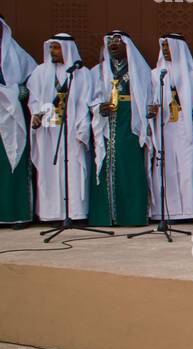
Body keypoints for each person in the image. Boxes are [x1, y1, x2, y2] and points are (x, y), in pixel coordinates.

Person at [88, 31, 154, 227]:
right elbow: (89, 98)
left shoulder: (139, 69)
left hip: (130, 120)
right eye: (110, 42)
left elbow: (148, 96)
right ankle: (107, 217)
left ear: (127, 45)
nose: (113, 44)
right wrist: (98, 107)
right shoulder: (97, 71)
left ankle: (131, 216)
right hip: (107, 122)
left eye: (118, 41)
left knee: (129, 167)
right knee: (105, 164)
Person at [28, 34, 94, 222]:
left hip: (72, 129)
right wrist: (37, 115)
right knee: (50, 169)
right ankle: (52, 214)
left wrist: (82, 129)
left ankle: (75, 213)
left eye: (56, 48)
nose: (52, 52)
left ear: (66, 49)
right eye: (51, 48)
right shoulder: (40, 72)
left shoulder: (81, 73)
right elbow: (34, 100)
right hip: (49, 130)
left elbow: (84, 103)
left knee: (73, 169)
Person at [146, 34, 193, 221]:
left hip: (187, 126)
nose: (165, 49)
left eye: (168, 46)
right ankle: (166, 211)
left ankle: (191, 210)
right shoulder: (156, 74)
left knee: (190, 167)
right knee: (166, 168)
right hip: (165, 126)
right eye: (162, 46)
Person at [0, 16, 37, 226]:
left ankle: (16, 214)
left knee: (12, 164)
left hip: (13, 118)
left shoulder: (16, 54)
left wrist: (17, 92)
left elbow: (33, 81)